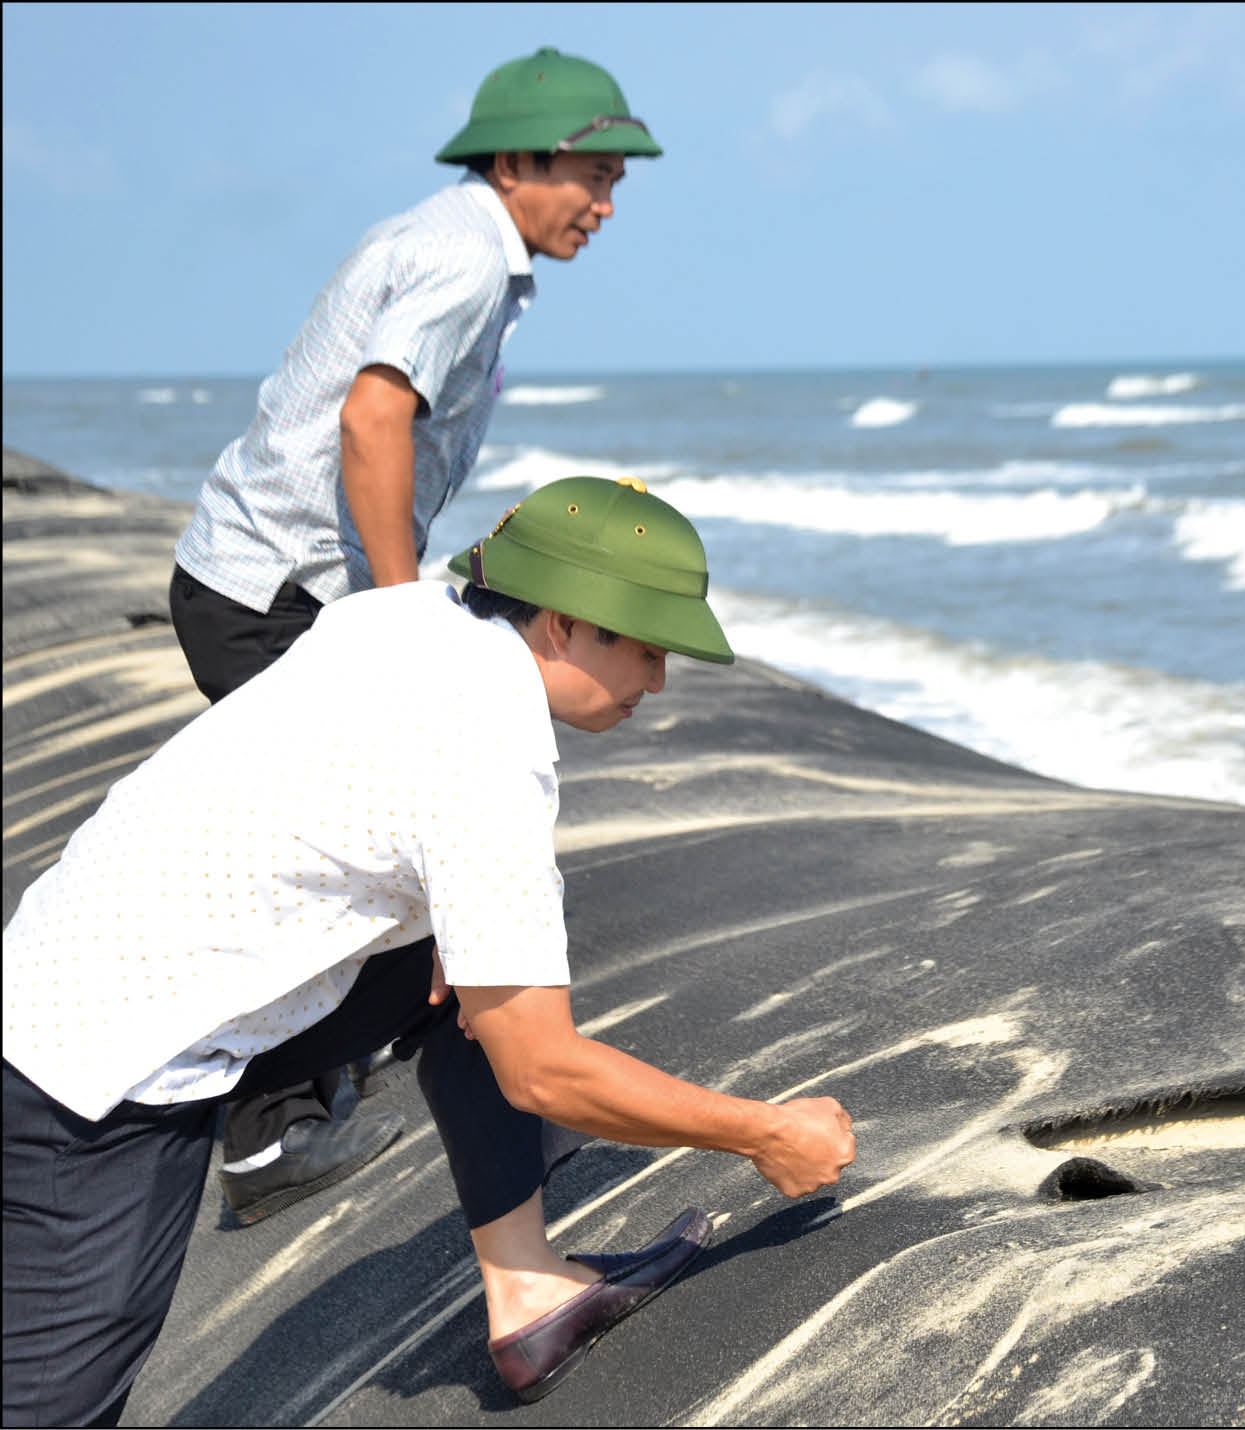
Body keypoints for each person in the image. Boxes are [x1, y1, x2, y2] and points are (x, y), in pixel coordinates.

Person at [2, 476, 858, 1425]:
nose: (656, 682)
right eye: (648, 649)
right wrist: (764, 1133)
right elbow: (543, 1070)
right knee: (61, 1388)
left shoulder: (406, 615)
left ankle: (528, 1287)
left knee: (487, 966)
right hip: (96, 1058)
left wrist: (440, 925)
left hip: (74, 957)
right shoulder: (485, 757)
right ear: (564, 625)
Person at [165, 45, 663, 1226]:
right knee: (401, 865)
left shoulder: (451, 242)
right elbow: (374, 418)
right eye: (593, 176)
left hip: (261, 583)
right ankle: (268, 1123)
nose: (606, 204)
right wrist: (399, 617)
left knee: (395, 859)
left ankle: (368, 1090)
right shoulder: (465, 258)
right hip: (277, 596)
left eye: (615, 182)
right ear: (515, 162)